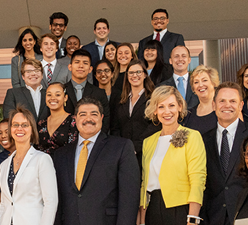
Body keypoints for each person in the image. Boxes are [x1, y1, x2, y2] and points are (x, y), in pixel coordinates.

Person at [53, 97, 140, 225]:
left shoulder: (121, 147)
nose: (88, 119)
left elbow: (129, 197)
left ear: (102, 117)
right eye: (83, 114)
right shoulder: (60, 155)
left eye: (94, 114)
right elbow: (58, 199)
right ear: (75, 119)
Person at [140, 85, 206, 225]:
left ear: (180, 107)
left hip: (181, 210)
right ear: (155, 111)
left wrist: (193, 218)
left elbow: (197, 179)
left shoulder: (192, 136)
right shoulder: (148, 142)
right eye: (161, 106)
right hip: (152, 210)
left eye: (171, 105)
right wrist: (141, 219)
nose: (167, 111)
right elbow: (144, 183)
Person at [200, 82, 248, 225]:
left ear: (241, 106)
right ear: (213, 105)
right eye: (222, 101)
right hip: (212, 216)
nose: (227, 105)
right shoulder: (202, 140)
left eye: (232, 101)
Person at [0, 106, 58, 225]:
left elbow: (51, 202)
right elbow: (4, 204)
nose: (19, 129)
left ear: (32, 129)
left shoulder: (42, 159)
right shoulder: (4, 165)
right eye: (15, 125)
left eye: (24, 125)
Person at [112, 60, 159, 167]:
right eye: (131, 73)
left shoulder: (153, 98)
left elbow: (155, 124)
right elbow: (115, 126)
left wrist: (136, 146)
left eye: (138, 72)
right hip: (123, 154)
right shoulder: (121, 100)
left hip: (146, 152)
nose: (135, 75)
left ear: (145, 75)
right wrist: (123, 147)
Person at [64, 49, 110, 133]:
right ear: (70, 67)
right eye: (77, 62)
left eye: (85, 63)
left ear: (90, 69)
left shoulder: (99, 93)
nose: (81, 66)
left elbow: (105, 120)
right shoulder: (61, 91)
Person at [36, 83, 78, 154]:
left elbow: (74, 150)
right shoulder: (41, 124)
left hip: (64, 163)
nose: (52, 98)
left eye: (57, 95)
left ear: (65, 98)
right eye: (49, 95)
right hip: (42, 164)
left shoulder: (74, 121)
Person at [158, 46, 199, 110]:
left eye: (184, 56)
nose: (180, 59)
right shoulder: (161, 88)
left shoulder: (199, 85)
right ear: (170, 61)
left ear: (189, 60)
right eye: (176, 56)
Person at [182, 65, 220, 134]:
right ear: (193, 88)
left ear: (213, 83)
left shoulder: (224, 109)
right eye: (196, 82)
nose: (200, 85)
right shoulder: (189, 115)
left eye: (204, 80)